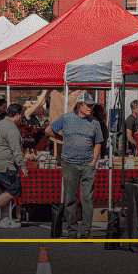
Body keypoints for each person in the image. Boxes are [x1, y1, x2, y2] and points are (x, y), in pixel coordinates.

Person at [50, 98, 104, 239]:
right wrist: (62, 139)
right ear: (80, 105)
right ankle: (72, 230)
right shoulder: (67, 118)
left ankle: (86, 230)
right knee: (70, 198)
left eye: (92, 106)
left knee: (87, 198)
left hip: (87, 165)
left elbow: (98, 143)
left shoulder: (95, 123)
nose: (90, 108)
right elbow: (48, 131)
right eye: (88, 105)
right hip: (69, 164)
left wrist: (93, 162)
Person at [0, 103, 26, 229]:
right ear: (17, 115)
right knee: (14, 190)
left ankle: (4, 219)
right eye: (21, 115)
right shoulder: (12, 128)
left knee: (4, 192)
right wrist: (22, 166)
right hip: (5, 164)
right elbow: (16, 150)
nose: (21, 118)